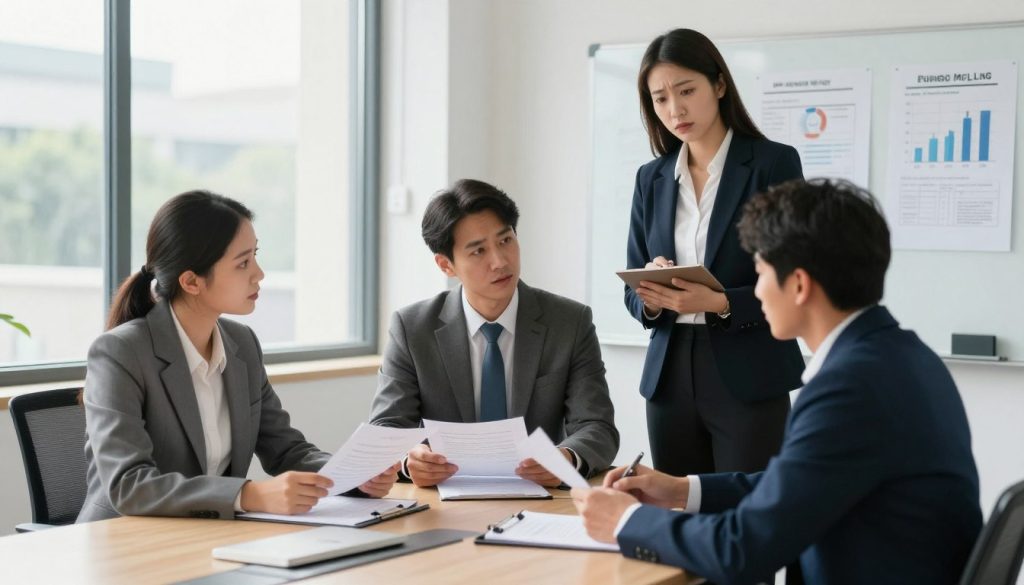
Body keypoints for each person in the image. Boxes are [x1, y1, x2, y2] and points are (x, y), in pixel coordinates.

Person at [573, 179, 982, 584]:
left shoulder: (850, 387)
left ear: (800, 285)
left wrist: (626, 521)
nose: (758, 291)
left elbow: (742, 549)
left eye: (761, 272)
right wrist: (681, 489)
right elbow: (793, 485)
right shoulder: (901, 357)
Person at [78, 190, 398, 522]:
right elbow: (129, 486)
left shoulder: (241, 343)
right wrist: (249, 494)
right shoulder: (120, 353)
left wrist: (351, 477)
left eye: (255, 256)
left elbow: (286, 449)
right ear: (191, 281)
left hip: (208, 535)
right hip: (123, 542)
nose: (258, 273)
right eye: (243, 262)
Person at [625, 28, 805, 476]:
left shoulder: (772, 164)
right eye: (660, 98)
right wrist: (649, 293)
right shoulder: (652, 178)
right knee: (677, 518)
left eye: (686, 91)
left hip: (748, 372)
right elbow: (631, 291)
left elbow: (794, 277)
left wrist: (721, 303)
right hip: (669, 378)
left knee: (750, 517)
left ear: (719, 85)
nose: (675, 109)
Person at [369, 179, 619, 487]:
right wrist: (410, 461)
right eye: (478, 251)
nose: (500, 261)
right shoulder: (412, 328)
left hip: (542, 497)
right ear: (446, 265)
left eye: (505, 241)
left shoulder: (569, 322)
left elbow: (597, 426)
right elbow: (387, 427)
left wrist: (565, 458)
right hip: (444, 497)